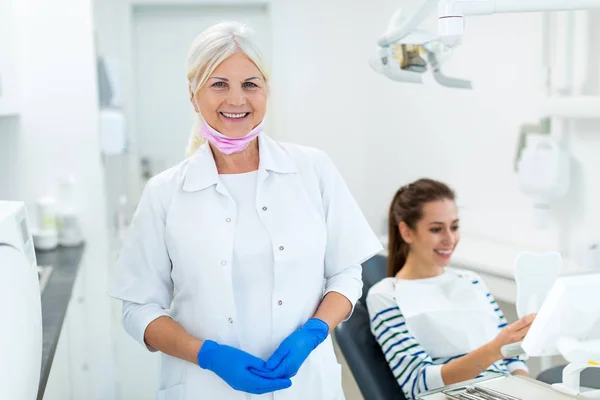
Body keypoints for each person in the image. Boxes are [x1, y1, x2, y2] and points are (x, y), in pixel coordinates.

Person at [108, 21, 382, 400]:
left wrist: (315, 330)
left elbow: (346, 274)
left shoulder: (312, 170)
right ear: (193, 94)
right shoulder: (165, 193)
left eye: (250, 84)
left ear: (266, 90)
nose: (236, 100)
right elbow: (138, 308)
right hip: (205, 388)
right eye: (218, 84)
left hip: (306, 386)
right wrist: (207, 355)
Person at [366, 179, 535, 400]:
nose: (450, 239)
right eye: (436, 229)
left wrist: (528, 390)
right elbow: (418, 383)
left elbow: (512, 356)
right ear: (406, 232)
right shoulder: (385, 296)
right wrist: (493, 350)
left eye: (454, 227)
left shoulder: (472, 282)